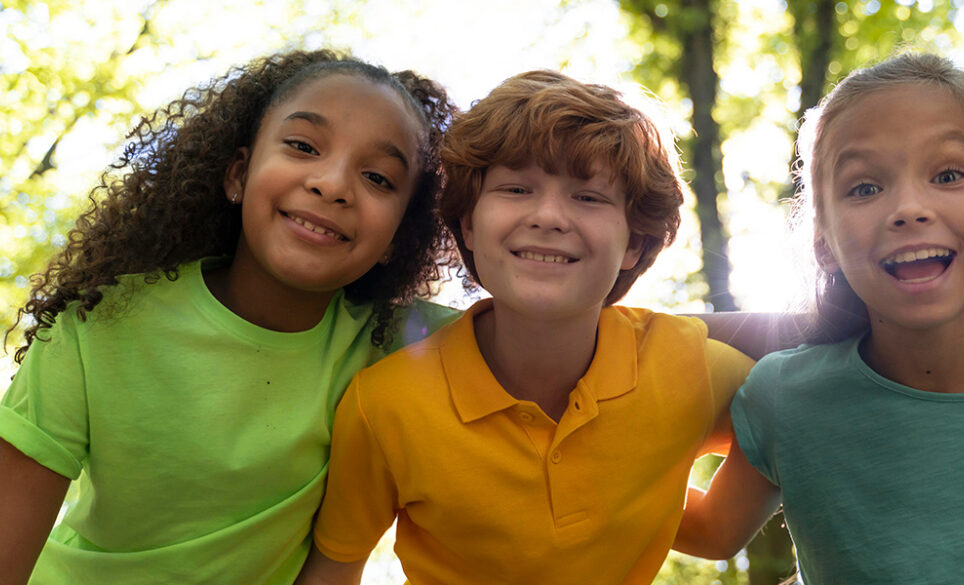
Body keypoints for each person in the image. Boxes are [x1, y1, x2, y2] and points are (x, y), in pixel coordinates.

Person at [0, 49, 460, 585]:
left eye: (379, 178)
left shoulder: (399, 345)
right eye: (302, 146)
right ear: (237, 174)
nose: (333, 184)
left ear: (400, 236)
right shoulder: (100, 323)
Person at [674, 53, 964, 585]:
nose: (908, 207)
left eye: (947, 174)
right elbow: (711, 532)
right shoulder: (785, 396)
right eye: (865, 188)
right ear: (823, 242)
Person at [293, 70, 757, 585]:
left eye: (589, 197)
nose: (549, 216)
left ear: (635, 242)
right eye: (516, 188)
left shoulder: (691, 368)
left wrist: (649, 498)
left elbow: (725, 521)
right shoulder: (384, 405)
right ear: (468, 224)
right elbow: (332, 571)